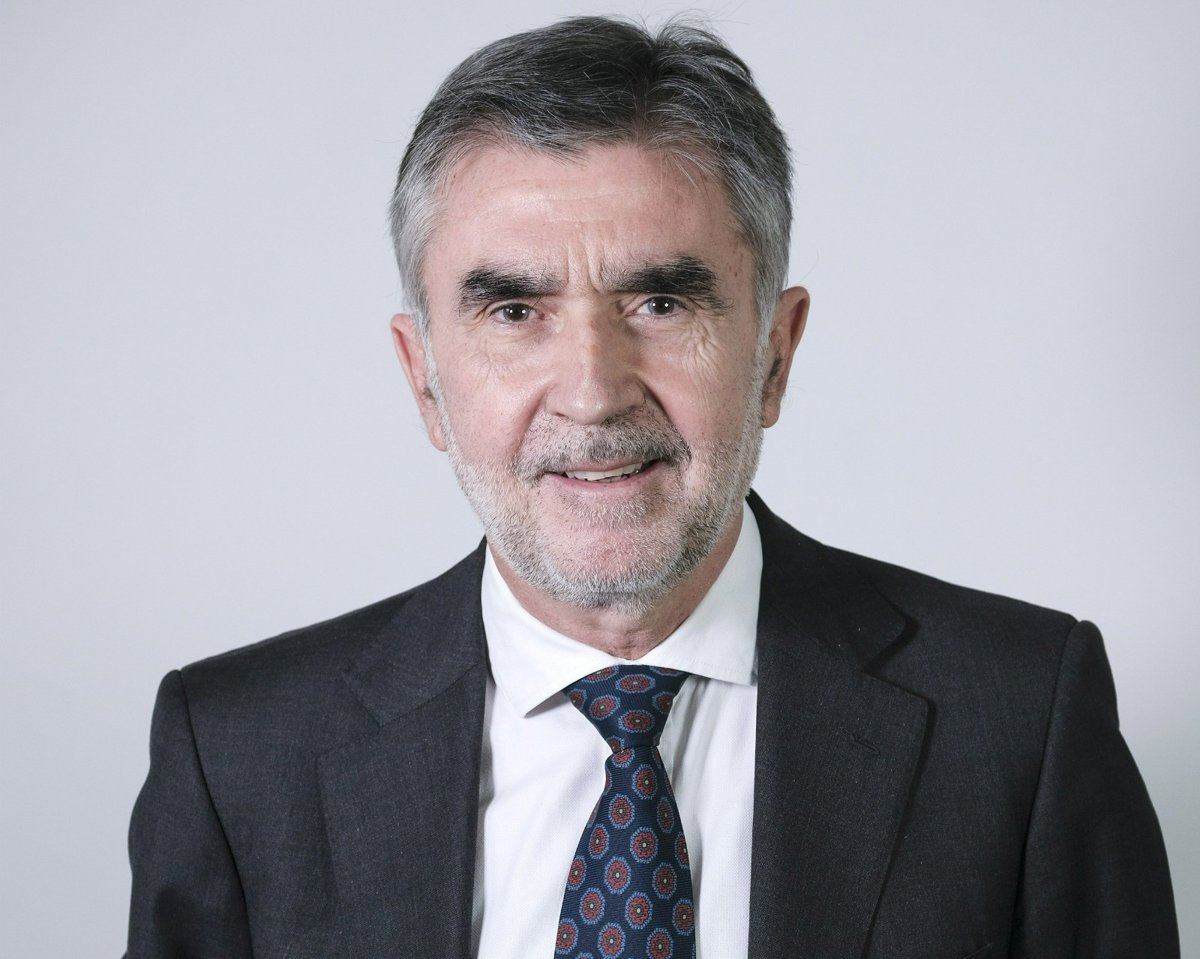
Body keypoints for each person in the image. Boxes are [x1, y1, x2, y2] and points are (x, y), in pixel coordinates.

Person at [125, 16, 1178, 959]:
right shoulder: (236, 759)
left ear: (774, 354)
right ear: (425, 379)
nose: (592, 393)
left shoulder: (1022, 721)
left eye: (661, 303)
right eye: (514, 312)